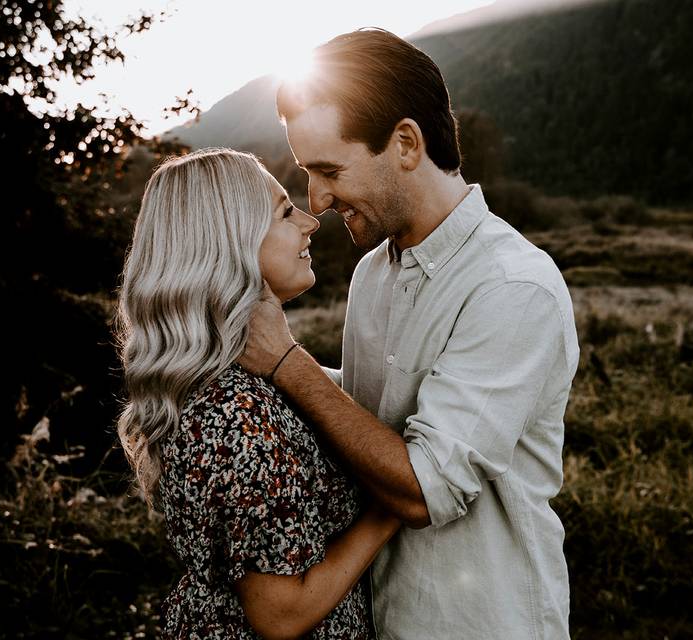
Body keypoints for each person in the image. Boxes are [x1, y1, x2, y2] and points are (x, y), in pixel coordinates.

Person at [239, 29, 580, 638]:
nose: (315, 199)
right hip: (380, 616)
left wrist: (287, 364)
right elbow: (379, 404)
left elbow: (427, 490)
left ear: (405, 143)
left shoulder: (511, 287)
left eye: (329, 169)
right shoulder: (375, 269)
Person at [114, 147, 400, 639]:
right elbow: (279, 614)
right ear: (231, 242)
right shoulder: (238, 411)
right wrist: (392, 502)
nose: (311, 222)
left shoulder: (232, 382)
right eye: (286, 212)